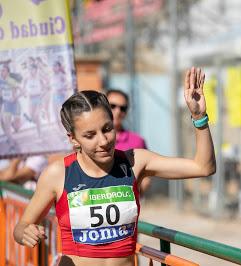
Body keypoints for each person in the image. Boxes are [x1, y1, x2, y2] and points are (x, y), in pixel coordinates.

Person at [13, 67, 215, 266]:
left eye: (107, 129)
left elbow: (203, 167)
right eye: (90, 135)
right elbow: (21, 227)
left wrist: (199, 118)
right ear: (73, 139)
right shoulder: (58, 174)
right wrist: (26, 233)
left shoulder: (135, 161)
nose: (103, 141)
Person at [106, 89, 151, 193]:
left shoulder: (137, 141)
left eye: (123, 108)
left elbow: (147, 175)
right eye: (112, 106)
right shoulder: (93, 139)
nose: (117, 111)